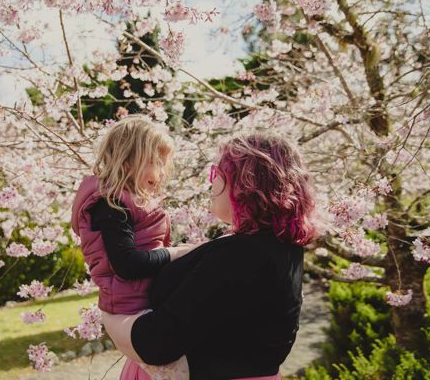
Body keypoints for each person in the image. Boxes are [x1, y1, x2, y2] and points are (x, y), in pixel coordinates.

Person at [102, 133, 318, 379]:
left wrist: (110, 317)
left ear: (245, 183)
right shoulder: (283, 248)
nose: (211, 182)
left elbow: (157, 343)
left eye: (216, 172)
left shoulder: (241, 254)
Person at [71, 115, 192, 380]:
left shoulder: (128, 202)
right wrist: (177, 253)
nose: (161, 172)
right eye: (155, 161)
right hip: (131, 305)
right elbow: (127, 265)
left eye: (164, 163)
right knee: (185, 371)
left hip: (144, 301)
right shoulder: (110, 205)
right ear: (127, 160)